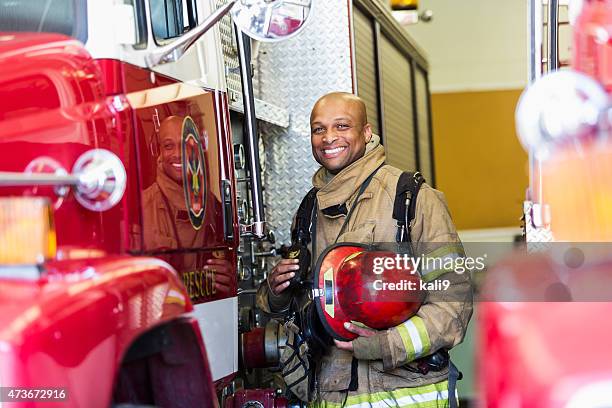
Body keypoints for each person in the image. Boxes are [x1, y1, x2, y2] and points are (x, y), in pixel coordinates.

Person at [256, 92, 473, 406]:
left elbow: (453, 303)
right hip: (331, 394)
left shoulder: (411, 198)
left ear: (367, 133)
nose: (329, 137)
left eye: (342, 126)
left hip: (407, 395)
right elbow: (314, 308)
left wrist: (385, 344)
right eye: (319, 129)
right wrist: (278, 293)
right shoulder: (308, 212)